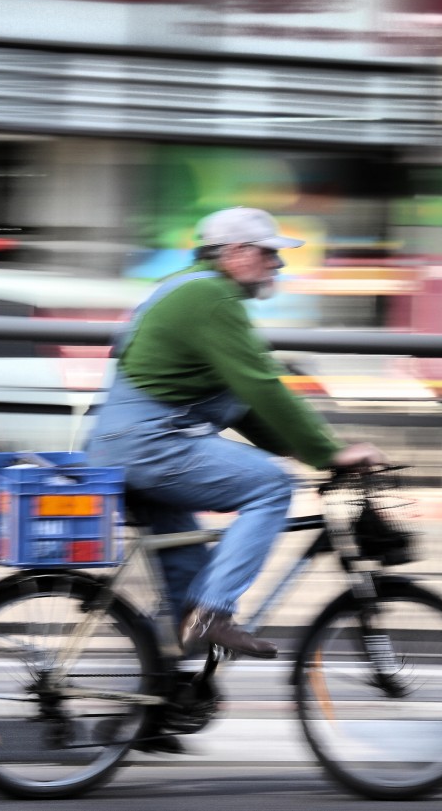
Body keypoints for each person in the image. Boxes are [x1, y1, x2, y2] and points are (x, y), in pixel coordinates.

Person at [86, 206, 387, 661]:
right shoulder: (213, 300)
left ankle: (157, 709)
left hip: (129, 447)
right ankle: (216, 614)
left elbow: (242, 403)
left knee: (186, 601)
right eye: (269, 253)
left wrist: (310, 451)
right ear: (236, 253)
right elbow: (262, 384)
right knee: (272, 484)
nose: (278, 264)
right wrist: (328, 454)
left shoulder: (192, 291)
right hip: (149, 446)